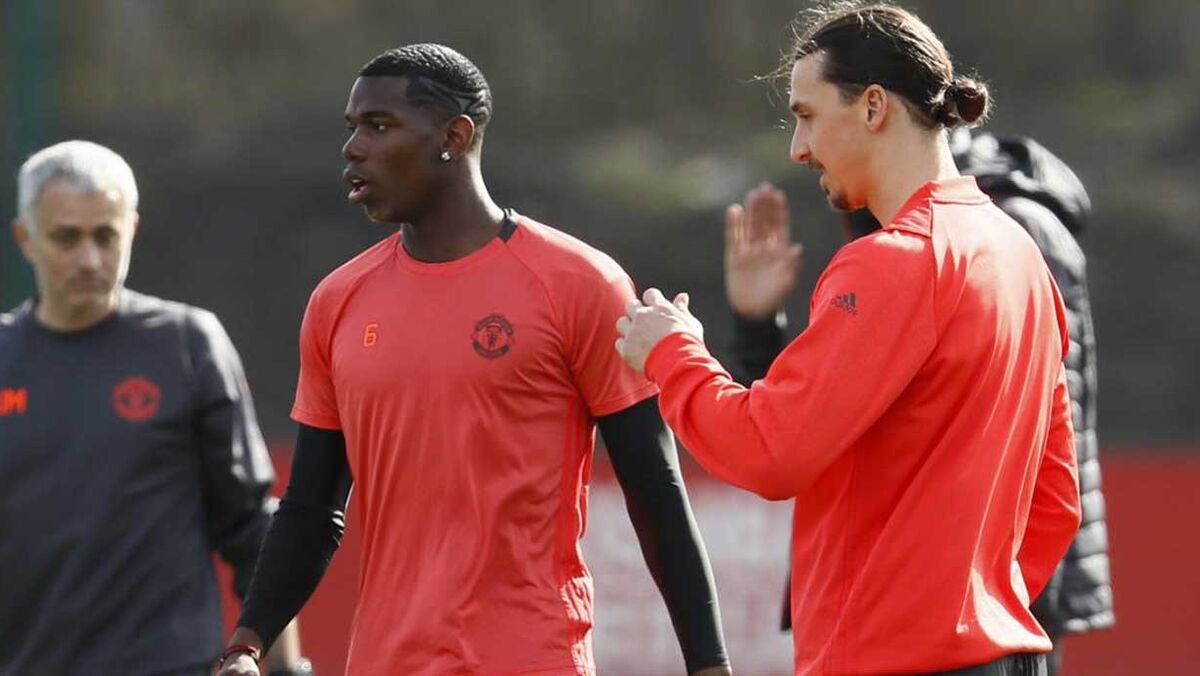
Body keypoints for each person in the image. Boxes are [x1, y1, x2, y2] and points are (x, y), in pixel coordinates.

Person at [217, 44, 730, 676]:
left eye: (378, 126)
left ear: (454, 138)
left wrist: (710, 665)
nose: (353, 148)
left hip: (532, 659)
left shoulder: (580, 284)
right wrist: (247, 644)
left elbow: (656, 493)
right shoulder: (337, 301)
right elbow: (311, 509)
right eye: (352, 128)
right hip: (385, 661)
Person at [616, 4, 1081, 675]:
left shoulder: (892, 260)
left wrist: (672, 353)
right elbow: (1056, 496)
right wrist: (981, 611)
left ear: (873, 107)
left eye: (806, 115)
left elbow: (770, 452)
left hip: (893, 660)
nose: (798, 149)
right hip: (1004, 651)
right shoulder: (1017, 254)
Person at [724, 130, 1114, 675]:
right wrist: (758, 324)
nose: (804, 149)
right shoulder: (902, 230)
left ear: (884, 114)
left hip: (981, 602)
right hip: (958, 606)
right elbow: (819, 419)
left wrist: (996, 596)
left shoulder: (990, 232)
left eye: (812, 115)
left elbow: (1036, 436)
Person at [0, 140, 305, 675]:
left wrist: (286, 670)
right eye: (67, 238)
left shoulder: (186, 345)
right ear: (26, 238)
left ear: (132, 230)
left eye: (105, 236)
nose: (90, 259)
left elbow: (251, 528)